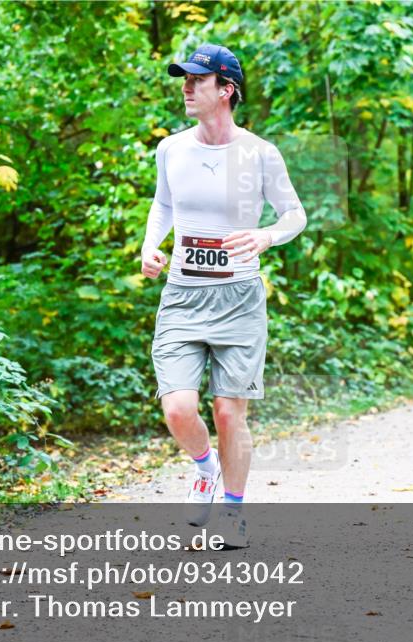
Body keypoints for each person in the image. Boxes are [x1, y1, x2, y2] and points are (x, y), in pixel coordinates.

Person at [140, 44, 307, 548]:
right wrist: (151, 246)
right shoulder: (171, 148)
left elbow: (294, 215)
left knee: (230, 412)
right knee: (177, 408)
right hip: (183, 295)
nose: (187, 87)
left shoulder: (260, 152)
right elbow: (162, 204)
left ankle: (232, 512)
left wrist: (265, 236)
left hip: (238, 296)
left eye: (198, 80)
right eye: (184, 80)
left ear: (226, 89)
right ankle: (204, 466)